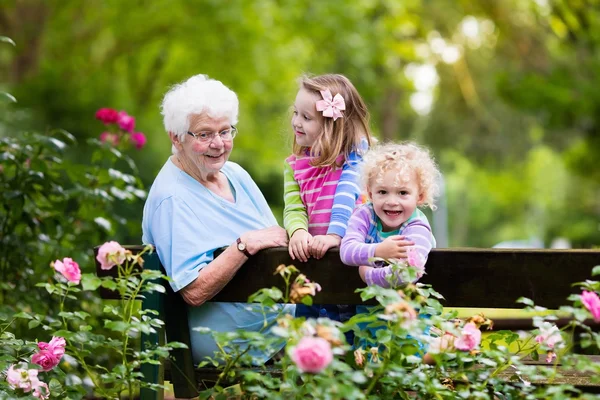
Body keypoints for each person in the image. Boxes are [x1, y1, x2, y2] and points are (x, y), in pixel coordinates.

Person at [142, 74, 295, 365]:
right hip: (225, 345)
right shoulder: (172, 198)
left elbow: (277, 236)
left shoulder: (236, 174)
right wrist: (243, 245)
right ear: (176, 137)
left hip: (276, 332)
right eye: (204, 134)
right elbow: (194, 290)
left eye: (225, 132)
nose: (219, 144)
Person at [283, 73, 374, 332]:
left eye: (307, 117)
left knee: (350, 334)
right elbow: (294, 205)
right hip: (313, 264)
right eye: (295, 113)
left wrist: (336, 234)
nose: (296, 122)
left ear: (333, 125)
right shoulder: (293, 166)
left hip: (348, 262)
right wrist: (297, 231)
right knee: (309, 334)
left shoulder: (355, 157)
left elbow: (348, 193)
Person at [340, 142, 441, 350]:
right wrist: (378, 250)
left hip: (407, 315)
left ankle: (443, 345)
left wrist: (368, 275)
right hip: (369, 313)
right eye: (383, 192)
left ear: (419, 196)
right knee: (369, 361)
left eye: (403, 193)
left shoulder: (417, 228)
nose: (392, 201)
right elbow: (346, 250)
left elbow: (407, 274)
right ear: (369, 192)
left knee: (405, 359)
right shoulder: (365, 214)